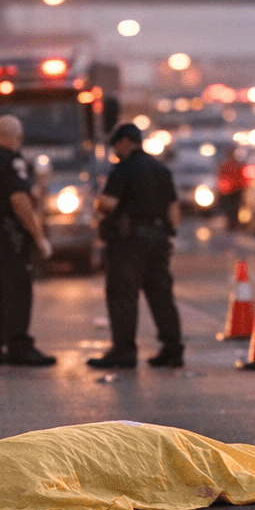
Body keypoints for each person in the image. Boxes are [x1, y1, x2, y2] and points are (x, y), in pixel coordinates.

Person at [88, 123, 184, 369]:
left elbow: (108, 204)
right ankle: (172, 349)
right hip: (159, 239)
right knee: (161, 295)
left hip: (129, 242)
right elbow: (174, 212)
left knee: (123, 295)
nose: (115, 151)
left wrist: (97, 203)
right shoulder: (161, 170)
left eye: (116, 146)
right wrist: (165, 235)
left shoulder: (124, 168)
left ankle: (124, 351)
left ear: (124, 143)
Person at [0, 115, 56, 366]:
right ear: (15, 137)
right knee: (17, 290)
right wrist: (39, 238)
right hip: (10, 239)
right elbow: (19, 200)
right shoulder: (12, 161)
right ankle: (19, 346)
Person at [215, 147, 246, 230]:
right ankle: (232, 222)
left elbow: (221, 176)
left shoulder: (227, 165)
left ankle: (232, 222)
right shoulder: (234, 165)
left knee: (232, 207)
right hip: (234, 189)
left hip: (232, 189)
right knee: (233, 207)